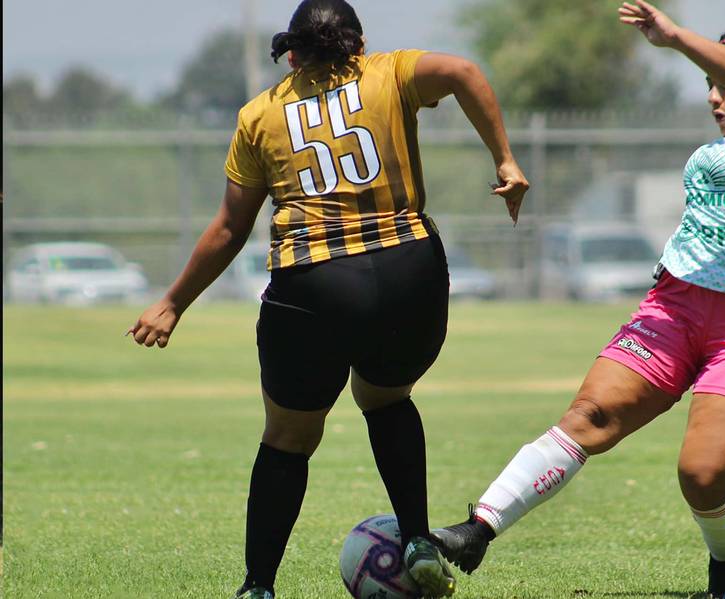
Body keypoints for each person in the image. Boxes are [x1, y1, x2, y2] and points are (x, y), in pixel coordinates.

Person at [433, 3, 725, 598]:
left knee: (702, 474)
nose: (714, 97)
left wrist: (675, 37)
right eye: (708, 86)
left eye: (724, 83)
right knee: (588, 418)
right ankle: (477, 528)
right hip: (674, 305)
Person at [127, 1, 528, 597]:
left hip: (313, 284)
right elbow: (466, 72)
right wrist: (505, 158)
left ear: (291, 51)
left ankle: (258, 586)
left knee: (289, 437)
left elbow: (230, 228)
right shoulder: (390, 72)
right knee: (387, 398)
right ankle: (417, 538)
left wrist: (173, 302)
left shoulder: (260, 113)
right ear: (357, 43)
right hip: (408, 272)